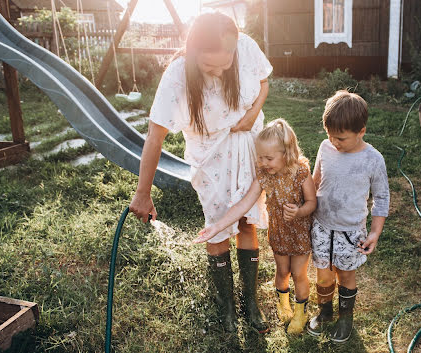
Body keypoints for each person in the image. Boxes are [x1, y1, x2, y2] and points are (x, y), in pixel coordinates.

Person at [128, 12, 273, 333]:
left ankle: (250, 301)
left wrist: (252, 113)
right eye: (211, 67)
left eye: (227, 62)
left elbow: (263, 82)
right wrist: (143, 191)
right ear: (193, 52)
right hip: (210, 158)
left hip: (249, 148)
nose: (221, 71)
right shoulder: (178, 74)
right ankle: (226, 308)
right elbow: (155, 134)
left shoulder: (246, 47)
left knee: (247, 223)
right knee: (217, 229)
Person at [194, 119, 317, 335]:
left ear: (286, 153)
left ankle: (300, 312)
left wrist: (298, 211)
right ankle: (283, 303)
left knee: (298, 273)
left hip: (299, 235)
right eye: (259, 158)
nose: (263, 163)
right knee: (282, 271)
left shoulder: (301, 173)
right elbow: (243, 204)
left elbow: (312, 203)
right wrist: (217, 226)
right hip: (279, 235)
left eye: (269, 158)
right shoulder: (264, 176)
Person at [306, 90, 390, 342]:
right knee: (322, 274)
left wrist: (375, 232)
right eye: (330, 136)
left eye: (341, 138)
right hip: (321, 226)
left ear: (361, 131)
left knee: (345, 274)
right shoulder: (325, 147)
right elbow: (315, 180)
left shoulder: (373, 160)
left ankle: (345, 319)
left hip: (350, 231)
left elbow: (382, 198)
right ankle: (325, 313)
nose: (334, 142)